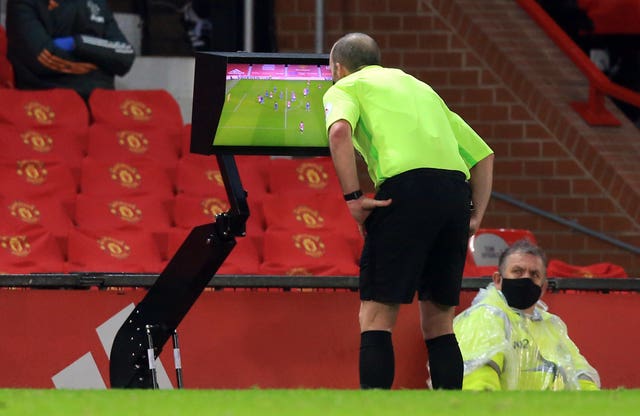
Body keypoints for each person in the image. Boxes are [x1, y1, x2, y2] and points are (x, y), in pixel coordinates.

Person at [323, 33, 494, 390]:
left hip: (405, 191)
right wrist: (474, 215)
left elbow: (339, 132)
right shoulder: (421, 87)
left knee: (376, 316)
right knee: (439, 321)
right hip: (453, 195)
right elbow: (483, 155)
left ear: (339, 67)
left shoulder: (346, 86)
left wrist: (354, 197)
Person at [453, 239, 600, 390]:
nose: (526, 278)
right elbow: (479, 383)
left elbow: (581, 374)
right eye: (518, 271)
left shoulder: (551, 325)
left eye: (534, 274)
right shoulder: (484, 317)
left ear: (543, 287)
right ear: (498, 280)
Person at [5, 0, 135, 101]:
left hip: (99, 103)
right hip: (47, 101)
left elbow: (126, 55)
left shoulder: (97, 3)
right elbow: (44, 57)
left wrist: (77, 43)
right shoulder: (24, 3)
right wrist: (102, 59)